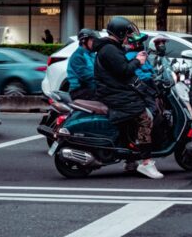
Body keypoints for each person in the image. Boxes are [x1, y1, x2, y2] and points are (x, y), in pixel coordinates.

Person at [94, 16, 163, 179]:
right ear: (119, 33)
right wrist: (138, 61)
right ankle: (146, 162)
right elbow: (124, 70)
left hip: (116, 90)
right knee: (145, 118)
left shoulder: (111, 47)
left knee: (130, 122)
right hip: (115, 93)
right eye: (127, 34)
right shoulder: (109, 49)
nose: (128, 37)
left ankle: (130, 159)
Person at [67, 28, 99, 100]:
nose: (94, 43)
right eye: (92, 40)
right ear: (84, 41)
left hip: (90, 88)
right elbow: (87, 76)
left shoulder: (92, 54)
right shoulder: (78, 56)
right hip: (78, 90)